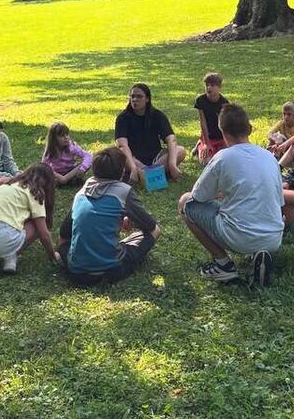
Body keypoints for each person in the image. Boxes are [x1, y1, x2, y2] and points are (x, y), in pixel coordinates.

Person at [179, 103, 284, 287]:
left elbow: (198, 197)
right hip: (274, 237)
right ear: (249, 129)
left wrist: (218, 193)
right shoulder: (270, 157)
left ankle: (223, 263)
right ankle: (257, 253)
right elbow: (279, 201)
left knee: (185, 202)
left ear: (223, 132)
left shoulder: (223, 157)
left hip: (238, 236)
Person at [59, 146, 160, 287]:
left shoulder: (81, 192)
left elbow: (64, 234)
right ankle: (110, 258)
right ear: (121, 171)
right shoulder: (123, 191)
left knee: (63, 242)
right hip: (111, 270)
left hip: (76, 272)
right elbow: (149, 225)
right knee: (155, 231)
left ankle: (74, 259)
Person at [0, 163, 61, 275]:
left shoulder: (5, 187)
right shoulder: (35, 192)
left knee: (6, 221)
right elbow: (44, 234)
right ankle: (10, 257)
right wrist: (53, 256)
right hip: (2, 237)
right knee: (36, 224)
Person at [115, 84, 186, 183]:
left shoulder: (157, 115)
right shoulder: (123, 118)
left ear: (147, 99)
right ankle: (148, 173)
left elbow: (171, 139)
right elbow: (122, 145)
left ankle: (147, 173)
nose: (134, 99)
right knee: (118, 154)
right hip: (133, 159)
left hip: (156, 159)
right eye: (132, 96)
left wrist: (172, 164)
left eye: (139, 96)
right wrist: (133, 167)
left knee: (180, 150)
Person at [193, 72, 229, 165]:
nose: (209, 88)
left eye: (212, 85)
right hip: (208, 137)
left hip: (221, 137)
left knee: (224, 160)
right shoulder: (200, 100)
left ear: (219, 87)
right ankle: (200, 145)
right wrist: (207, 143)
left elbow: (224, 125)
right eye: (207, 85)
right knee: (207, 162)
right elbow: (203, 121)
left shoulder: (224, 104)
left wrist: (226, 143)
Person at [42, 121, 93, 186]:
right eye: (62, 136)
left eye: (67, 134)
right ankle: (66, 181)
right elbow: (44, 167)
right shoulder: (51, 151)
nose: (66, 138)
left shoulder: (72, 147)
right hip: (57, 174)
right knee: (44, 174)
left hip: (70, 172)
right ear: (54, 139)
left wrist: (82, 168)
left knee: (84, 164)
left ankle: (68, 180)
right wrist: (58, 176)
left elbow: (88, 156)